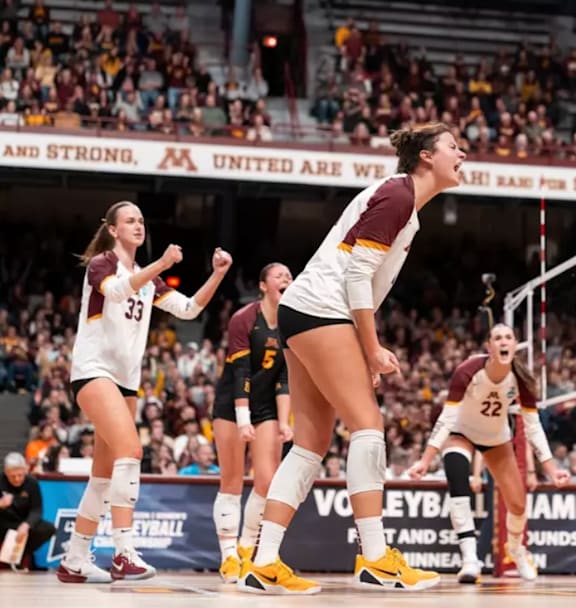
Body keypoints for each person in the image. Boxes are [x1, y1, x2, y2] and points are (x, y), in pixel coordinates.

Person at [238, 122, 466, 595]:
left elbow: (364, 282)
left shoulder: (406, 206)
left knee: (310, 444)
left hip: (305, 310)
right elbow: (357, 278)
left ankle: (263, 561)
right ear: (426, 156)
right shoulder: (398, 196)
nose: (461, 154)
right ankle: (376, 557)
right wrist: (371, 348)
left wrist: (361, 352)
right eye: (453, 147)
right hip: (323, 309)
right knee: (368, 426)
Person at [58, 200, 231, 584]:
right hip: (94, 371)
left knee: (103, 476)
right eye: (130, 221)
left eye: (141, 220)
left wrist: (217, 275)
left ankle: (74, 559)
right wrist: (162, 265)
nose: (138, 226)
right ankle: (123, 553)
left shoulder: (147, 277)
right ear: (113, 229)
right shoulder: (103, 263)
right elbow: (118, 291)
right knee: (132, 451)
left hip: (126, 380)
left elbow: (189, 309)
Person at [408, 324, 570, 583]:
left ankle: (515, 550)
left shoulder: (521, 380)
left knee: (518, 505)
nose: (503, 342)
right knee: (457, 479)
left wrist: (551, 469)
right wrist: (425, 460)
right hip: (461, 432)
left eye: (508, 337)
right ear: (489, 347)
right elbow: (446, 419)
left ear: (514, 345)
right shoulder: (468, 370)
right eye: (498, 338)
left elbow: (533, 427)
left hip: (495, 439)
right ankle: (469, 559)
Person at [212, 262, 294, 583]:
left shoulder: (289, 323)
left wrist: (285, 421)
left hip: (266, 406)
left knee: (267, 482)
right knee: (232, 481)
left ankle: (246, 547)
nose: (286, 279)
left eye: (289, 276)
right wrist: (243, 419)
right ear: (263, 285)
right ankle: (228, 557)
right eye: (279, 276)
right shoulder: (243, 318)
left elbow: (284, 377)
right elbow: (241, 372)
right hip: (232, 404)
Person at [0, 453, 55, 570]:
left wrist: (27, 524)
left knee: (48, 528)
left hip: (22, 523)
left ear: (25, 470)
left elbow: (37, 509)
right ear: (6, 472)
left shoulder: (32, 483)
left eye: (20, 475)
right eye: (12, 476)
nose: (17, 479)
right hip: (3, 523)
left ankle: (20, 557)